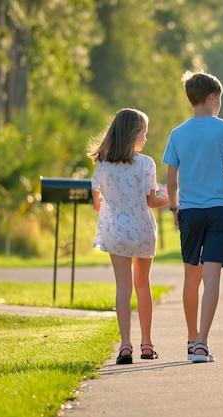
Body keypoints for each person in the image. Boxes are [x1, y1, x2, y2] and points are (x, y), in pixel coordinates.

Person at [162, 70, 223, 363]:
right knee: (212, 278)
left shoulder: (177, 133)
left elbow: (171, 181)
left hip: (190, 212)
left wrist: (174, 209)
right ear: (212, 97)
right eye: (219, 98)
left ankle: (190, 337)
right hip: (220, 210)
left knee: (190, 277)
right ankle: (202, 344)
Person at [87, 108, 169, 365]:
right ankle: (147, 343)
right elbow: (151, 200)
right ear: (133, 133)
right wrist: (172, 199)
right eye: (144, 132)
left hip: (116, 232)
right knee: (142, 284)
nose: (145, 138)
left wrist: (111, 201)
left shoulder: (103, 164)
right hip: (142, 230)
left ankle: (125, 345)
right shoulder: (146, 164)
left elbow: (96, 202)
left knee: (123, 286)